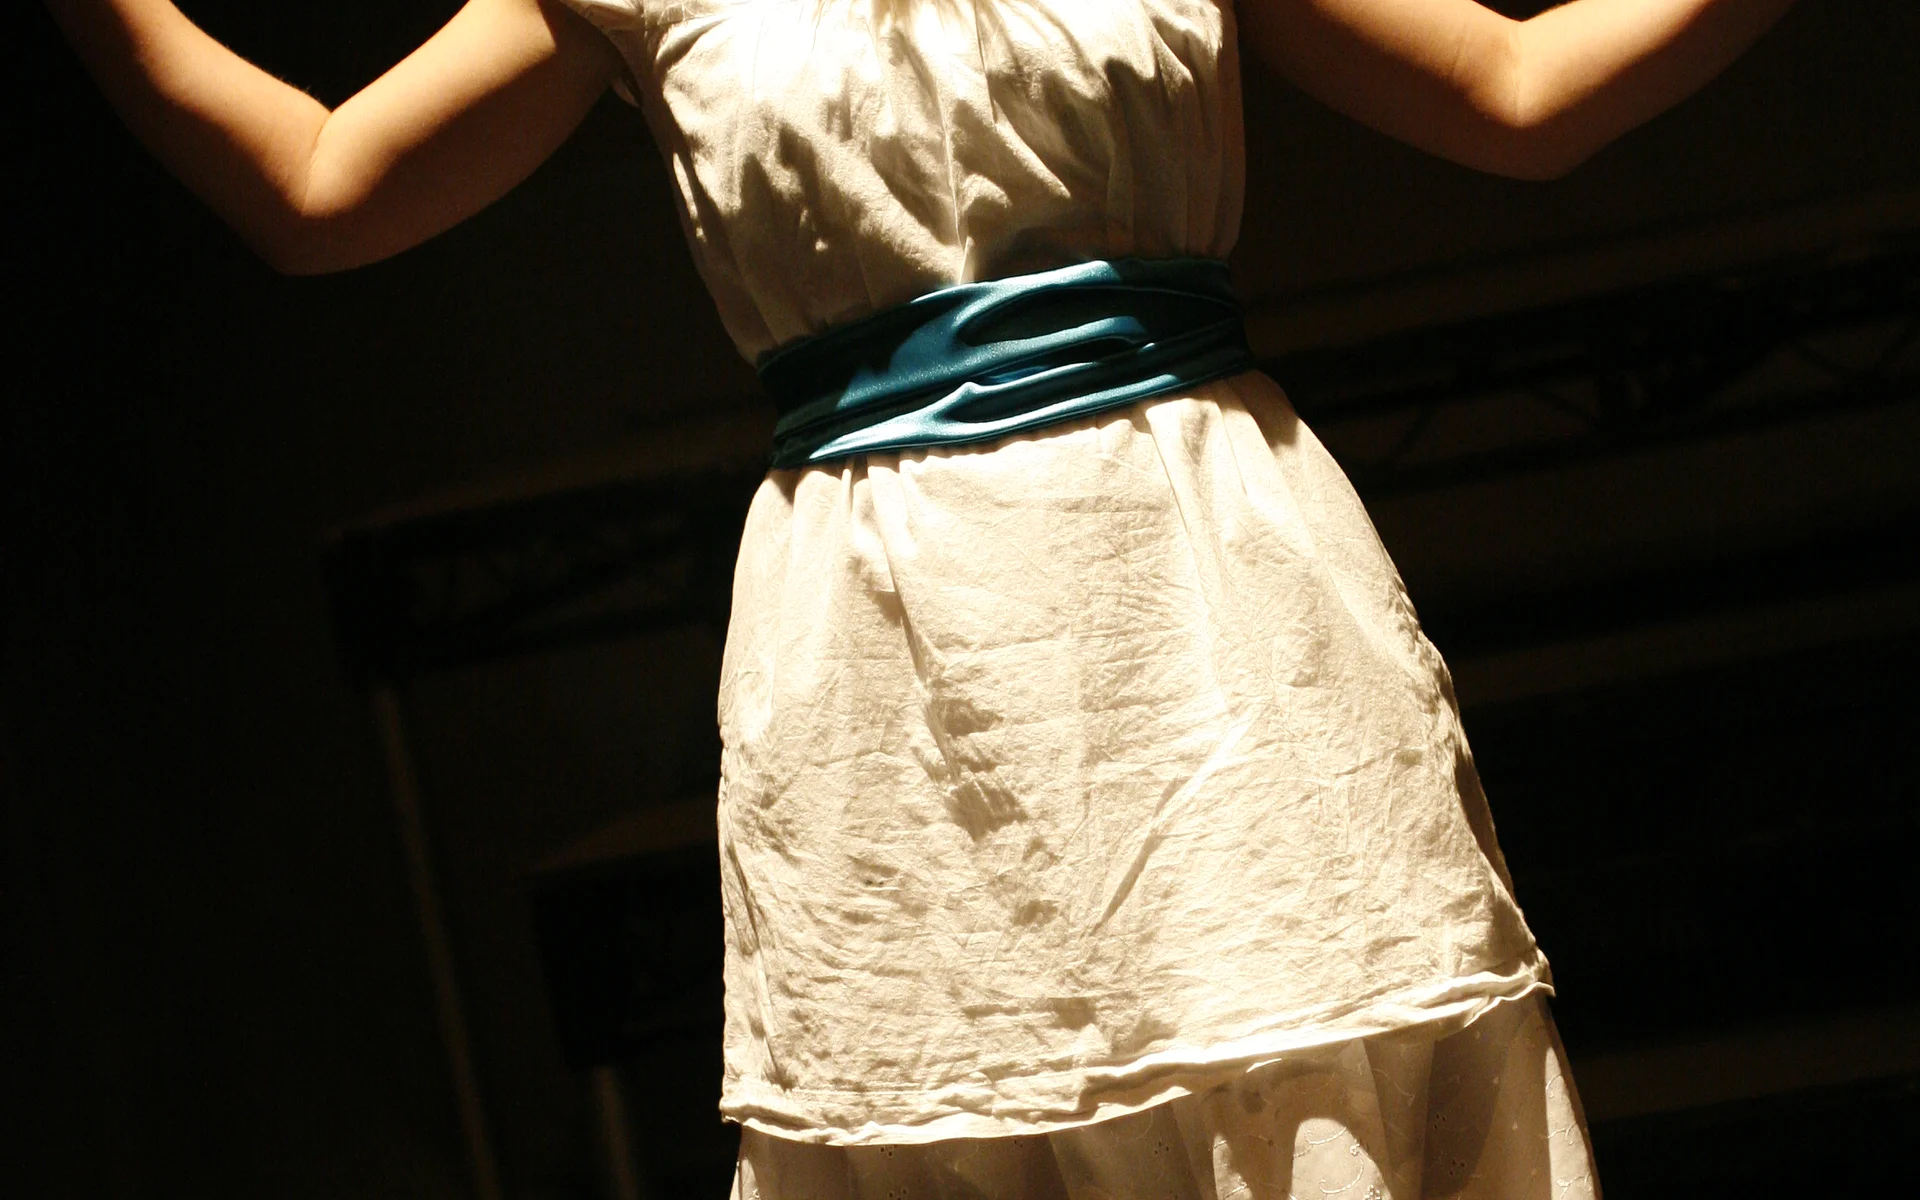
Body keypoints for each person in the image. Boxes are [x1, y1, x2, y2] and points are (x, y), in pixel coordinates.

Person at [47, 1, 1796, 1195]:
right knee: (952, 1098)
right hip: (890, 655)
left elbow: (1516, 85)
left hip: (1205, 597)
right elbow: (321, 187)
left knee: (1299, 1054)